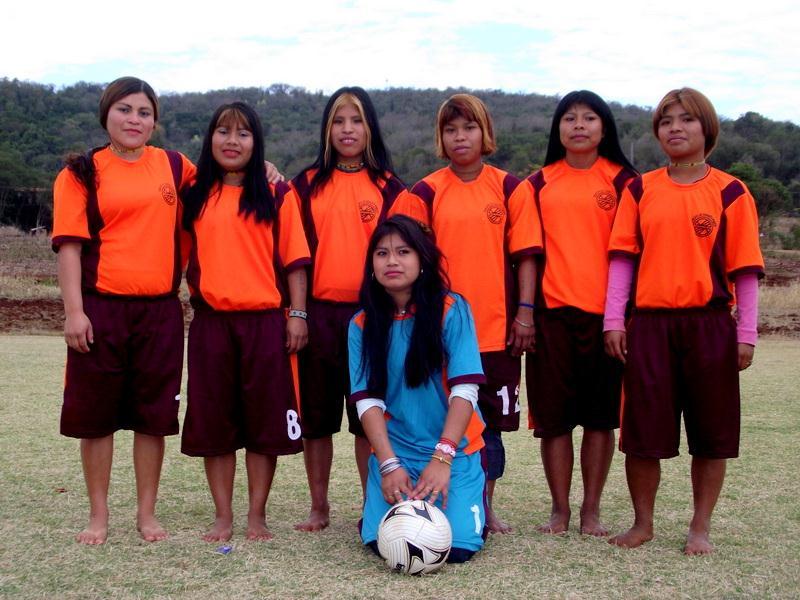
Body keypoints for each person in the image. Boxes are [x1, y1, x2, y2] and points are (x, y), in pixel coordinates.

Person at [603, 87, 764, 555]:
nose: (676, 127)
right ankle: (643, 523)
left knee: (712, 435)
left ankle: (700, 526)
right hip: (649, 326)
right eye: (667, 120)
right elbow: (622, 260)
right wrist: (615, 319)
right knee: (642, 434)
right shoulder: (639, 188)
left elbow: (746, 269)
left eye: (687, 119)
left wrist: (746, 333)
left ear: (706, 128)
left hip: (711, 325)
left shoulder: (731, 191)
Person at [52, 76, 195, 545]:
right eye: (125, 110)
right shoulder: (81, 172)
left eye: (144, 112)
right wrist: (75, 312)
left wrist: (268, 170)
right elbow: (69, 248)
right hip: (102, 309)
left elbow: (226, 181)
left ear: (155, 120)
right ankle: (98, 515)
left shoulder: (174, 166)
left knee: (152, 417)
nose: (134, 120)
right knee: (97, 417)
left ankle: (146, 513)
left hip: (160, 311)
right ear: (106, 114)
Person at [404, 94, 540, 533]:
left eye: (469, 128)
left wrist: (525, 313)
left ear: (485, 133)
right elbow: (406, 263)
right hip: (438, 332)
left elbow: (526, 258)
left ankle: (485, 506)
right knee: (437, 421)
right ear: (441, 138)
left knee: (490, 430)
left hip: (496, 334)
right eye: (450, 129)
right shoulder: (425, 191)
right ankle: (430, 503)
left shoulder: (510, 187)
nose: (460, 137)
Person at [180, 102, 310, 541]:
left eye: (243, 133)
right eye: (223, 131)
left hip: (265, 324)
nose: (231, 141)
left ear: (257, 143)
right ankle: (223, 515)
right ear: (209, 138)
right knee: (215, 424)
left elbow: (295, 261)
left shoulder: (276, 193)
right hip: (212, 323)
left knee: (262, 424)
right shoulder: (194, 190)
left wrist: (297, 313)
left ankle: (257, 515)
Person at [291, 86, 410, 531]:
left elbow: (401, 258)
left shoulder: (390, 187)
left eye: (356, 120)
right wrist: (298, 313)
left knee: (369, 418)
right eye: (338, 121)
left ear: (369, 127)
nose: (347, 129)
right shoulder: (304, 185)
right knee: (318, 421)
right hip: (319, 316)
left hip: (372, 317)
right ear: (327, 128)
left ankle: (371, 506)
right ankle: (318, 506)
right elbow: (295, 257)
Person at [522, 91, 637, 535]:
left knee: (600, 418)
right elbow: (527, 255)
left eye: (590, 118)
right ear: (558, 129)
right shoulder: (537, 183)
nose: (579, 125)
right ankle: (559, 509)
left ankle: (591, 509)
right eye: (569, 118)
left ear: (604, 127)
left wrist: (621, 316)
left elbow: (631, 254)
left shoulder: (626, 182)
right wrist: (527, 313)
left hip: (607, 320)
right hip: (553, 318)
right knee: (553, 421)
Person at [349, 214, 488, 562]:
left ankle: (475, 503)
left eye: (403, 251)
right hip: (397, 456)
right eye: (381, 254)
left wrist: (442, 457)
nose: (392, 261)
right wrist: (388, 465)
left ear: (422, 260)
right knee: (383, 545)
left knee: (454, 548)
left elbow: (465, 390)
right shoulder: (361, 323)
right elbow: (367, 402)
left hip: (451, 452)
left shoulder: (451, 309)